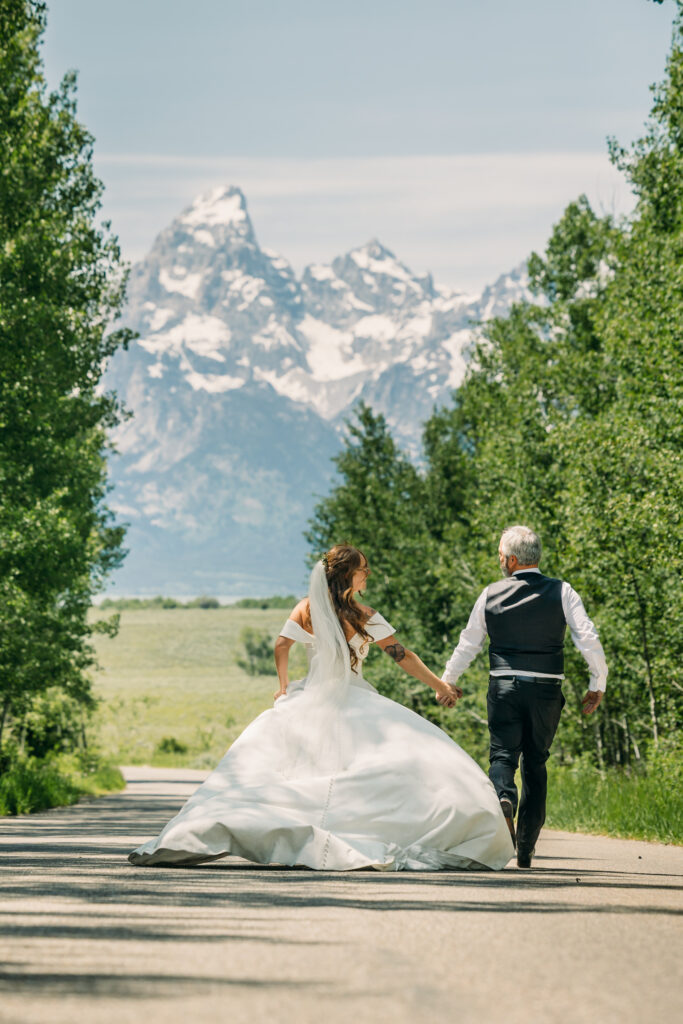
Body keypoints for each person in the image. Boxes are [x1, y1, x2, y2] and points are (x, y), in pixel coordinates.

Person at [128, 544, 514, 871]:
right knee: (398, 761)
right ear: (348, 576)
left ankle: (212, 831)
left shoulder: (306, 608)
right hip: (352, 696)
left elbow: (281, 645)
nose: (368, 577)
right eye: (363, 571)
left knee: (279, 769)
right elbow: (402, 656)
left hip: (309, 696)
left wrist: (283, 688)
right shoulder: (363, 616)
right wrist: (441, 685)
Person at [442, 525, 608, 869]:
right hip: (546, 691)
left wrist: (448, 680)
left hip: (503, 687)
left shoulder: (490, 594)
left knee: (502, 756)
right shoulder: (563, 592)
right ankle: (528, 846)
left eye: (501, 555)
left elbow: (468, 643)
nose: (499, 560)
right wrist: (598, 681)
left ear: (512, 560)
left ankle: (503, 796)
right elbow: (587, 638)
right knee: (536, 763)